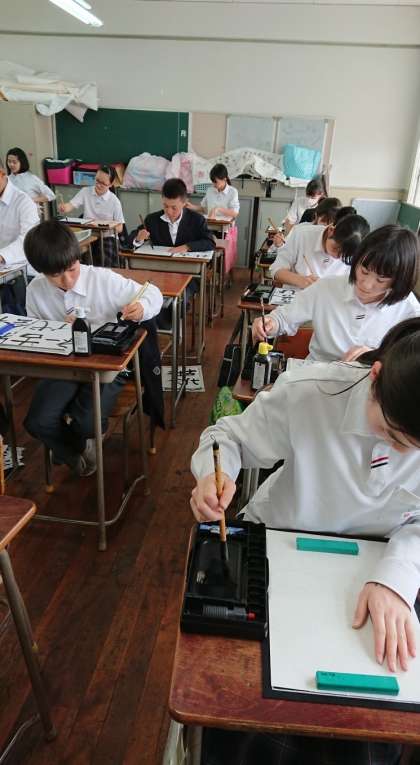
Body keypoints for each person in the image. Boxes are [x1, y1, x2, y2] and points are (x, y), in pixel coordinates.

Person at [190, 317, 420, 764]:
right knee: (243, 704)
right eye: (392, 434)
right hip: (280, 543)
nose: (400, 454)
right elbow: (228, 437)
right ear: (375, 378)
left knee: (371, 724)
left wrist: (396, 579)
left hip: (379, 565)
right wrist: (214, 476)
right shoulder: (313, 392)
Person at [23, 220, 163, 476]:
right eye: (56, 276)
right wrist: (59, 331)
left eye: (72, 270)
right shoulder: (35, 290)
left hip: (106, 363)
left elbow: (152, 292)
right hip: (64, 365)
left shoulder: (102, 279)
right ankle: (75, 450)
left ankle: (73, 446)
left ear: (78, 258)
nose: (67, 280)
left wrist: (141, 307)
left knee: (87, 423)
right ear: (40, 271)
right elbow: (37, 332)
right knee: (37, 421)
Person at [253, 225, 420, 361]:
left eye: (381, 280)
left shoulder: (410, 311)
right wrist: (270, 323)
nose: (366, 285)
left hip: (369, 381)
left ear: (399, 280)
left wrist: (375, 356)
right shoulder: (327, 287)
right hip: (318, 374)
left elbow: (409, 362)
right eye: (364, 271)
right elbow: (284, 318)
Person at [269, 214, 369, 289]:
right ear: (331, 231)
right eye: (335, 249)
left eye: (344, 256)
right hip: (296, 299)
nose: (337, 257)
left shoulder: (357, 254)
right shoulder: (302, 235)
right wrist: (301, 280)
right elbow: (276, 269)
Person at [58, 165, 124, 267]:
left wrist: (106, 228)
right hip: (88, 234)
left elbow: (120, 228)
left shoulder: (114, 201)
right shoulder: (86, 191)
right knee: (72, 253)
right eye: (97, 181)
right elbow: (71, 205)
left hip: (106, 236)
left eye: (103, 183)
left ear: (110, 184)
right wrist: (64, 207)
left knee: (104, 260)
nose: (98, 185)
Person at [132, 177, 215, 252]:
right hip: (160, 263)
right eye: (165, 206)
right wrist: (138, 239)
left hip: (186, 263)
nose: (169, 211)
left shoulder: (197, 220)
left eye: (174, 208)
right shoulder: (152, 220)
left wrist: (187, 247)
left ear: (184, 203)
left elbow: (210, 242)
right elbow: (130, 239)